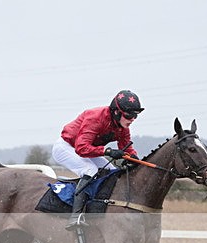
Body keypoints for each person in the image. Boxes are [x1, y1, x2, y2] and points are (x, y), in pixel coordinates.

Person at [52, 90, 143, 229]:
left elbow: (127, 148)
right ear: (116, 112)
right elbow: (81, 148)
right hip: (66, 147)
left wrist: (135, 160)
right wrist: (108, 151)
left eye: (135, 116)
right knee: (90, 169)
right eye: (129, 115)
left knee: (111, 171)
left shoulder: (122, 127)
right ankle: (75, 217)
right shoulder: (96, 117)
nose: (132, 119)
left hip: (87, 150)